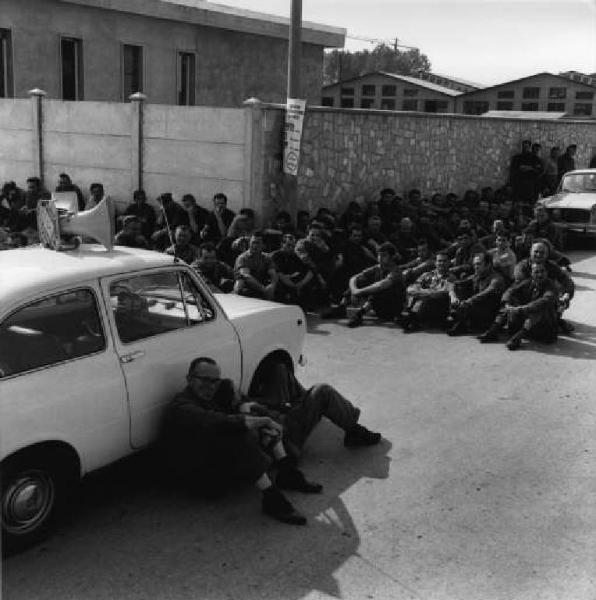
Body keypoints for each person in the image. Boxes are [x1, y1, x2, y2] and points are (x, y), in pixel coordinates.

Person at [161, 357, 319, 525]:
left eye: (214, 381)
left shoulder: (211, 396)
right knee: (236, 434)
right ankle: (272, 499)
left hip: (215, 462)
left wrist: (245, 407)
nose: (210, 386)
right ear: (189, 379)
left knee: (252, 419)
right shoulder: (181, 408)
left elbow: (230, 397)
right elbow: (218, 421)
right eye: (204, 380)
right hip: (200, 479)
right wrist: (262, 421)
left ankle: (287, 471)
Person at [477, 262, 559, 350]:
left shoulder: (551, 286)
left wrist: (520, 309)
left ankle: (517, 338)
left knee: (539, 308)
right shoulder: (528, 282)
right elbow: (510, 291)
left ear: (547, 272)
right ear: (531, 273)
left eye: (542, 271)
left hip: (545, 328)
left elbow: (543, 301)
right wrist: (507, 304)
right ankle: (493, 330)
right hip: (529, 324)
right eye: (536, 272)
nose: (539, 274)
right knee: (510, 302)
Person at [323, 242, 405, 328]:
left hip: (392, 309)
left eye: (384, 255)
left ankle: (359, 314)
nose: (380, 258)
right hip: (379, 306)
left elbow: (380, 286)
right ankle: (341, 308)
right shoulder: (377, 268)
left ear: (391, 257)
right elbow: (354, 278)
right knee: (360, 281)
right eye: (379, 255)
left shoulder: (396, 272)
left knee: (377, 288)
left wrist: (358, 292)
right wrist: (354, 290)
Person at [446, 252, 505, 336]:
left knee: (476, 298)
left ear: (488, 265)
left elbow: (485, 293)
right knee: (460, 287)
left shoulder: (496, 278)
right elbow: (453, 283)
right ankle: (460, 320)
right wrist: (453, 296)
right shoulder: (477, 275)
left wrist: (467, 302)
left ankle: (462, 321)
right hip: (476, 308)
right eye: (474, 264)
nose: (475, 267)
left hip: (489, 313)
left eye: (478, 264)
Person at [400, 252, 457, 332]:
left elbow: (441, 293)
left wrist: (423, 292)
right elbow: (412, 287)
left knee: (425, 298)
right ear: (435, 262)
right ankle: (410, 316)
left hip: (438, 305)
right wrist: (419, 291)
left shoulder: (451, 277)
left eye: (444, 261)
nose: (441, 263)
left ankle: (412, 318)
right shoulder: (427, 274)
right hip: (424, 302)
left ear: (448, 263)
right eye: (439, 261)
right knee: (411, 293)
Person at [271, 232, 316, 307]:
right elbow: (280, 274)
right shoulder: (276, 256)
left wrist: (301, 283)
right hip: (279, 280)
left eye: (293, 245)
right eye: (288, 245)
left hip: (292, 280)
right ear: (282, 244)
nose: (291, 248)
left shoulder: (294, 255)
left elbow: (310, 269)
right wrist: (295, 286)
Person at [233, 231, 278, 300]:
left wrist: (272, 285)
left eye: (258, 243)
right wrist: (263, 289)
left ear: (263, 245)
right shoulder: (243, 258)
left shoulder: (267, 258)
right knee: (240, 283)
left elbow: (273, 274)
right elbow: (246, 276)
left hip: (261, 285)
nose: (255, 246)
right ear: (249, 243)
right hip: (247, 287)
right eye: (253, 242)